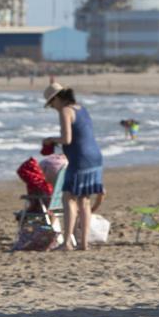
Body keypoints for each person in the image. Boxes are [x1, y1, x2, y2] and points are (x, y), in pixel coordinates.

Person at [42, 83, 104, 251]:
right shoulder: (80, 108)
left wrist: (50, 140)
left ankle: (67, 242)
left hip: (80, 158)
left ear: (57, 99)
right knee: (84, 200)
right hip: (95, 157)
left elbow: (67, 139)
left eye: (51, 104)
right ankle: (83, 243)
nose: (53, 108)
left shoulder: (65, 111)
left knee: (68, 197)